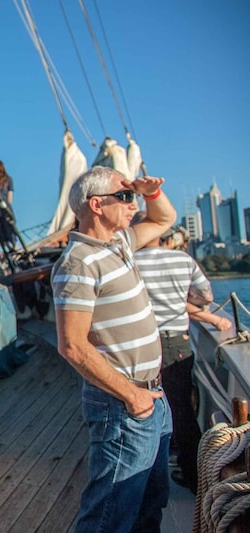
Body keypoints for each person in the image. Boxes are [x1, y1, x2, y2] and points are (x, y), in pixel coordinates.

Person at [51, 166, 177, 533]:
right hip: (124, 403)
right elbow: (72, 345)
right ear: (96, 205)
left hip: (152, 394)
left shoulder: (118, 244)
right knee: (109, 515)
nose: (132, 204)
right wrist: (133, 396)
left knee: (151, 502)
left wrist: (147, 191)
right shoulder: (78, 263)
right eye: (124, 197)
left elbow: (164, 218)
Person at [134, 219, 232, 494]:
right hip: (177, 342)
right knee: (181, 409)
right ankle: (194, 477)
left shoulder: (129, 263)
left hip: (143, 344)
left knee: (146, 409)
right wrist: (188, 304)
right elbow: (204, 296)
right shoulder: (182, 260)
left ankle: (148, 476)